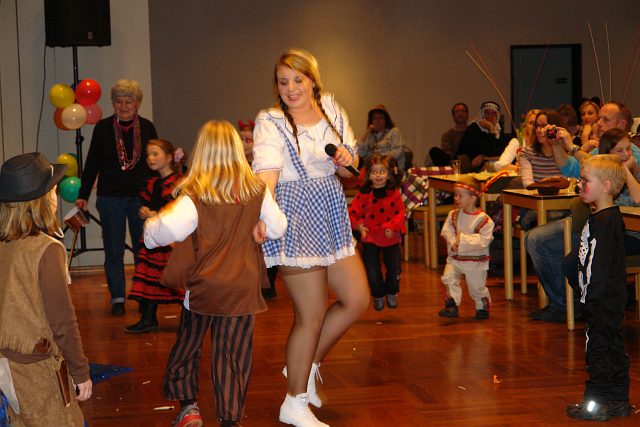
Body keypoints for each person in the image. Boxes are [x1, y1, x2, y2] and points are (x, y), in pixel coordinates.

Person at [252, 48, 369, 427]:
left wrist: (347, 160)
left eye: (298, 80)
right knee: (311, 315)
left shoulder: (332, 108)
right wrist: (263, 212)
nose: (291, 89)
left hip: (330, 211)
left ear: (312, 80)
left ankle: (304, 364)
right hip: (296, 215)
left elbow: (350, 172)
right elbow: (266, 171)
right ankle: (294, 401)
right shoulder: (270, 120)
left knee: (357, 299)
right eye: (283, 82)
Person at [145, 120, 287, 427]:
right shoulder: (256, 191)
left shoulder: (195, 195)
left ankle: (189, 406)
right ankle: (230, 419)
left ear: (203, 152)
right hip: (242, 289)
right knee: (233, 355)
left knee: (188, 345)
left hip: (204, 288)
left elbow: (163, 232)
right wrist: (260, 221)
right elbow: (278, 227)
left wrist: (150, 225)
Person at [0, 152, 92, 425]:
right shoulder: (47, 250)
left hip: (6, 363)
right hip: (37, 367)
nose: (56, 194)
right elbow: (62, 321)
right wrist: (80, 371)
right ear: (40, 200)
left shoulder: (4, 245)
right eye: (52, 189)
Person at [527, 103, 640, 323]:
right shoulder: (602, 149)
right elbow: (573, 168)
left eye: (605, 119)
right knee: (537, 240)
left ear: (622, 124)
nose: (598, 123)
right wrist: (559, 145)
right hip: (596, 223)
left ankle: (587, 303)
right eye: (599, 119)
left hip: (626, 231)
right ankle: (566, 303)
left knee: (576, 258)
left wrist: (623, 168)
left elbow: (635, 195)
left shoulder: (633, 154)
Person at [76, 79, 158, 316]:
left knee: (144, 249)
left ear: (137, 103)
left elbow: (156, 162)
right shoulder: (102, 128)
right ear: (113, 103)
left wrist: (157, 197)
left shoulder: (147, 127)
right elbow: (91, 164)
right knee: (114, 250)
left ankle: (144, 297)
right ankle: (118, 298)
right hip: (110, 198)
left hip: (141, 199)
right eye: (119, 101)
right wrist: (83, 195)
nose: (124, 106)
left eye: (129, 101)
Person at [564, 155, 631, 421]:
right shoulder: (605, 218)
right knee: (612, 346)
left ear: (605, 186)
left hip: (600, 300)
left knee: (598, 352)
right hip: (609, 298)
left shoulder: (604, 222)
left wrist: (589, 296)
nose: (580, 185)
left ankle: (596, 404)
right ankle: (619, 400)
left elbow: (598, 267)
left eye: (585, 180)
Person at [126, 139, 184, 333]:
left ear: (169, 157)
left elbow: (180, 210)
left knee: (178, 279)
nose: (150, 158)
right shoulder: (153, 183)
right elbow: (152, 205)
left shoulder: (179, 183)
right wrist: (145, 210)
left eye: (155, 154)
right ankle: (148, 318)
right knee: (150, 279)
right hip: (155, 239)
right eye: (148, 155)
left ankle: (190, 320)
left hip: (172, 241)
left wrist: (157, 213)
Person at [349, 154, 406, 311]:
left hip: (391, 237)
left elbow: (400, 213)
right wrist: (359, 227)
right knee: (372, 271)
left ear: (388, 174)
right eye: (374, 172)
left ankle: (392, 292)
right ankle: (378, 294)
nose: (378, 175)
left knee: (395, 269)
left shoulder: (394, 193)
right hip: (371, 237)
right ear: (369, 175)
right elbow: (352, 214)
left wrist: (392, 227)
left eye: (382, 172)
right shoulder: (363, 194)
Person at [438, 175, 494, 320]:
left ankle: (482, 307)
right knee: (449, 278)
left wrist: (462, 240)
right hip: (455, 258)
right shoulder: (453, 215)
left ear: (473, 198)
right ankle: (452, 305)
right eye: (455, 195)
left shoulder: (484, 220)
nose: (456, 198)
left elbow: (484, 241)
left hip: (475, 261)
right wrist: (453, 241)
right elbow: (447, 231)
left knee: (476, 287)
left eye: (460, 195)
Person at [238, 119, 279, 300]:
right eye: (241, 139)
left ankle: (268, 283)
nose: (245, 144)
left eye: (249, 140)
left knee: (266, 246)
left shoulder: (263, 165)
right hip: (242, 212)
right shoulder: (236, 165)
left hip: (261, 210)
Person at [455, 101, 507, 172]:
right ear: (482, 114)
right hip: (473, 170)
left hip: (496, 168)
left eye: (493, 113)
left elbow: (500, 152)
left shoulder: (499, 130)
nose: (490, 116)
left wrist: (492, 129)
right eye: (487, 113)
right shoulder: (473, 129)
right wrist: (491, 130)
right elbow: (488, 151)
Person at [358, 104, 407, 170]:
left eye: (380, 118)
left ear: (386, 119)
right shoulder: (370, 135)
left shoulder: (394, 131)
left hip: (390, 168)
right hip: (372, 169)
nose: (377, 121)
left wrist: (380, 158)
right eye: (375, 118)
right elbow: (360, 153)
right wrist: (367, 131)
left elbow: (398, 151)